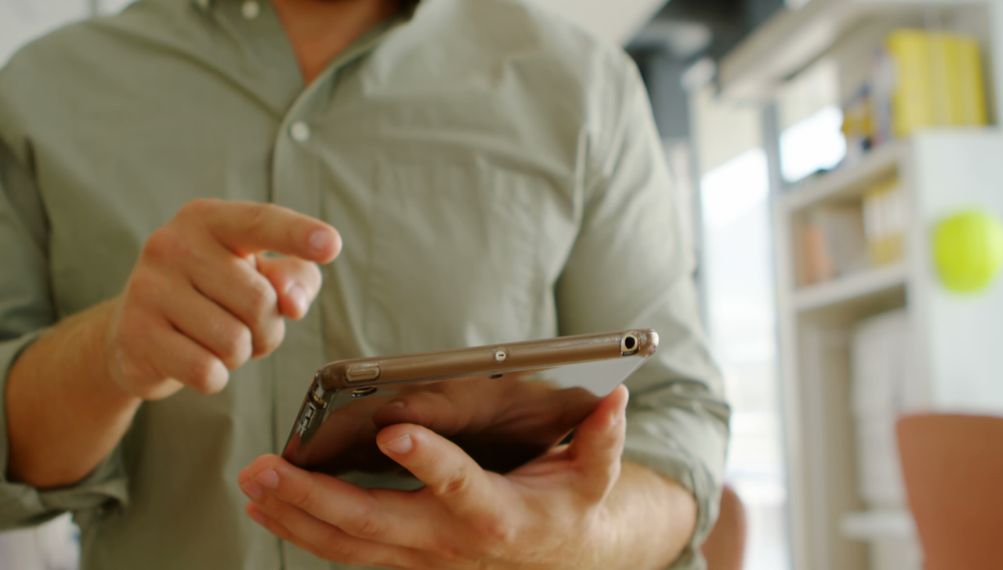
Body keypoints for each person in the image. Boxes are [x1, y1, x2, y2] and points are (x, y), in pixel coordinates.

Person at [0, 0, 731, 568]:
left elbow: (679, 416)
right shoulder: (39, 91)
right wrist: (109, 354)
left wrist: (580, 537)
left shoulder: (583, 84)